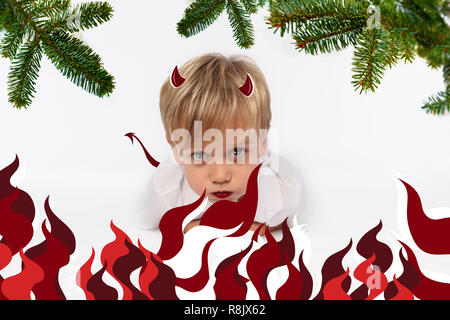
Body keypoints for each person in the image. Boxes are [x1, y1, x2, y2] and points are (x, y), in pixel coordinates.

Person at [139, 53, 304, 235]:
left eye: (236, 151)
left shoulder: (283, 192)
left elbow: (295, 218)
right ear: (176, 150)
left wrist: (260, 227)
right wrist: (190, 225)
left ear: (263, 143)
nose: (220, 176)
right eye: (200, 155)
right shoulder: (166, 192)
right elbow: (153, 221)